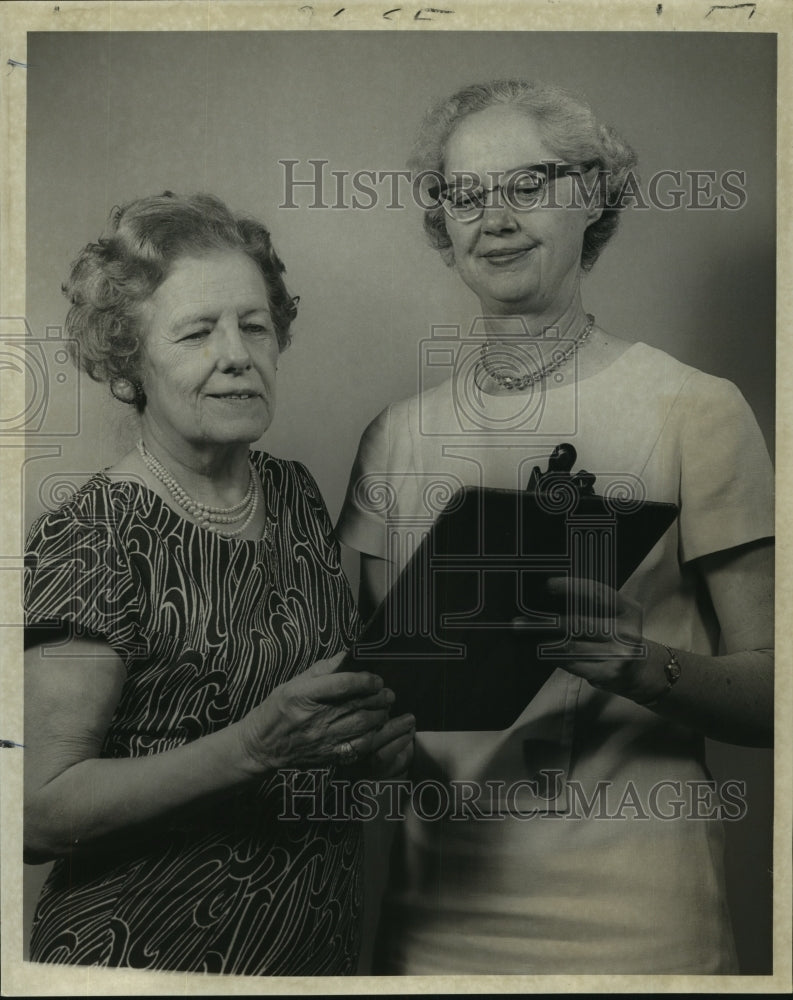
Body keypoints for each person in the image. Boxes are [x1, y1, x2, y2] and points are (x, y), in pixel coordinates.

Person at [337, 80, 774, 974]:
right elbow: (378, 694)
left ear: (594, 197)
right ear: (442, 227)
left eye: (526, 185)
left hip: (641, 920)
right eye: (464, 195)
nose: (493, 218)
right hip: (435, 917)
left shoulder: (694, 409)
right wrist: (352, 739)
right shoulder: (395, 437)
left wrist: (642, 666)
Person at [23, 192, 414, 975]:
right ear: (129, 356)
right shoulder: (94, 535)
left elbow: (306, 725)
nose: (237, 354)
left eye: (254, 325)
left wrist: (366, 750)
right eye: (198, 331)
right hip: (141, 955)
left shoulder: (295, 494)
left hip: (310, 947)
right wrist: (251, 749)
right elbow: (33, 810)